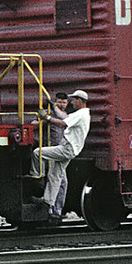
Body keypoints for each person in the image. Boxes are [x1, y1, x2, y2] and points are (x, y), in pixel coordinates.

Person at [40, 89, 91, 224]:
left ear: (79, 100)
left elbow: (63, 120)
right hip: (57, 149)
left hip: (62, 150)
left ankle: (53, 210)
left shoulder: (76, 115)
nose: (70, 103)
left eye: (71, 100)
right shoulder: (78, 114)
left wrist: (47, 117)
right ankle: (51, 208)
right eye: (59, 102)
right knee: (56, 178)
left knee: (59, 179)